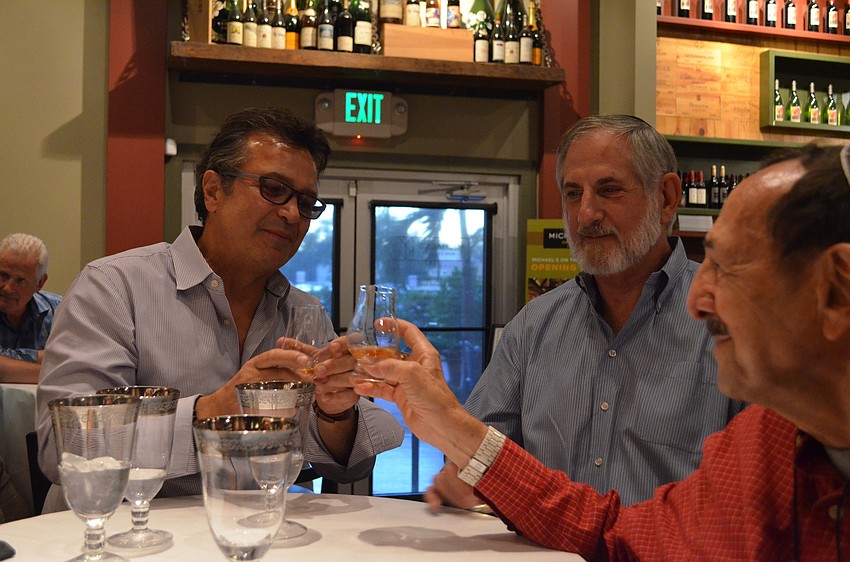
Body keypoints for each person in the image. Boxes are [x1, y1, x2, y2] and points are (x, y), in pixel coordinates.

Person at [354, 143, 850, 559]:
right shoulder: (770, 440)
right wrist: (452, 429)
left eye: (727, 267)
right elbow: (615, 533)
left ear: (837, 292)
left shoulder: (767, 430)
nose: (699, 302)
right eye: (573, 193)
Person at [36, 107, 403, 511]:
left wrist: (335, 414)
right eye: (273, 188)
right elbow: (65, 448)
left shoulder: (303, 312)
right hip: (125, 536)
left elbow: (348, 465)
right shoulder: (114, 286)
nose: (292, 214)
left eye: (306, 201)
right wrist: (213, 412)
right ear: (213, 191)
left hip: (254, 533)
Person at [427, 114, 745, 510]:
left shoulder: (733, 321)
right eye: (573, 193)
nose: (585, 216)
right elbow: (477, 459)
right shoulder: (533, 325)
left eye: (609, 190)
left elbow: (767, 498)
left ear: (666, 197)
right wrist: (459, 469)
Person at [0, 233, 62, 384]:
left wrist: (10, 364)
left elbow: (78, 359)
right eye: (3, 275)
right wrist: (47, 361)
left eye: (20, 280)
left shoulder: (58, 310)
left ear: (40, 283)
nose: (7, 288)